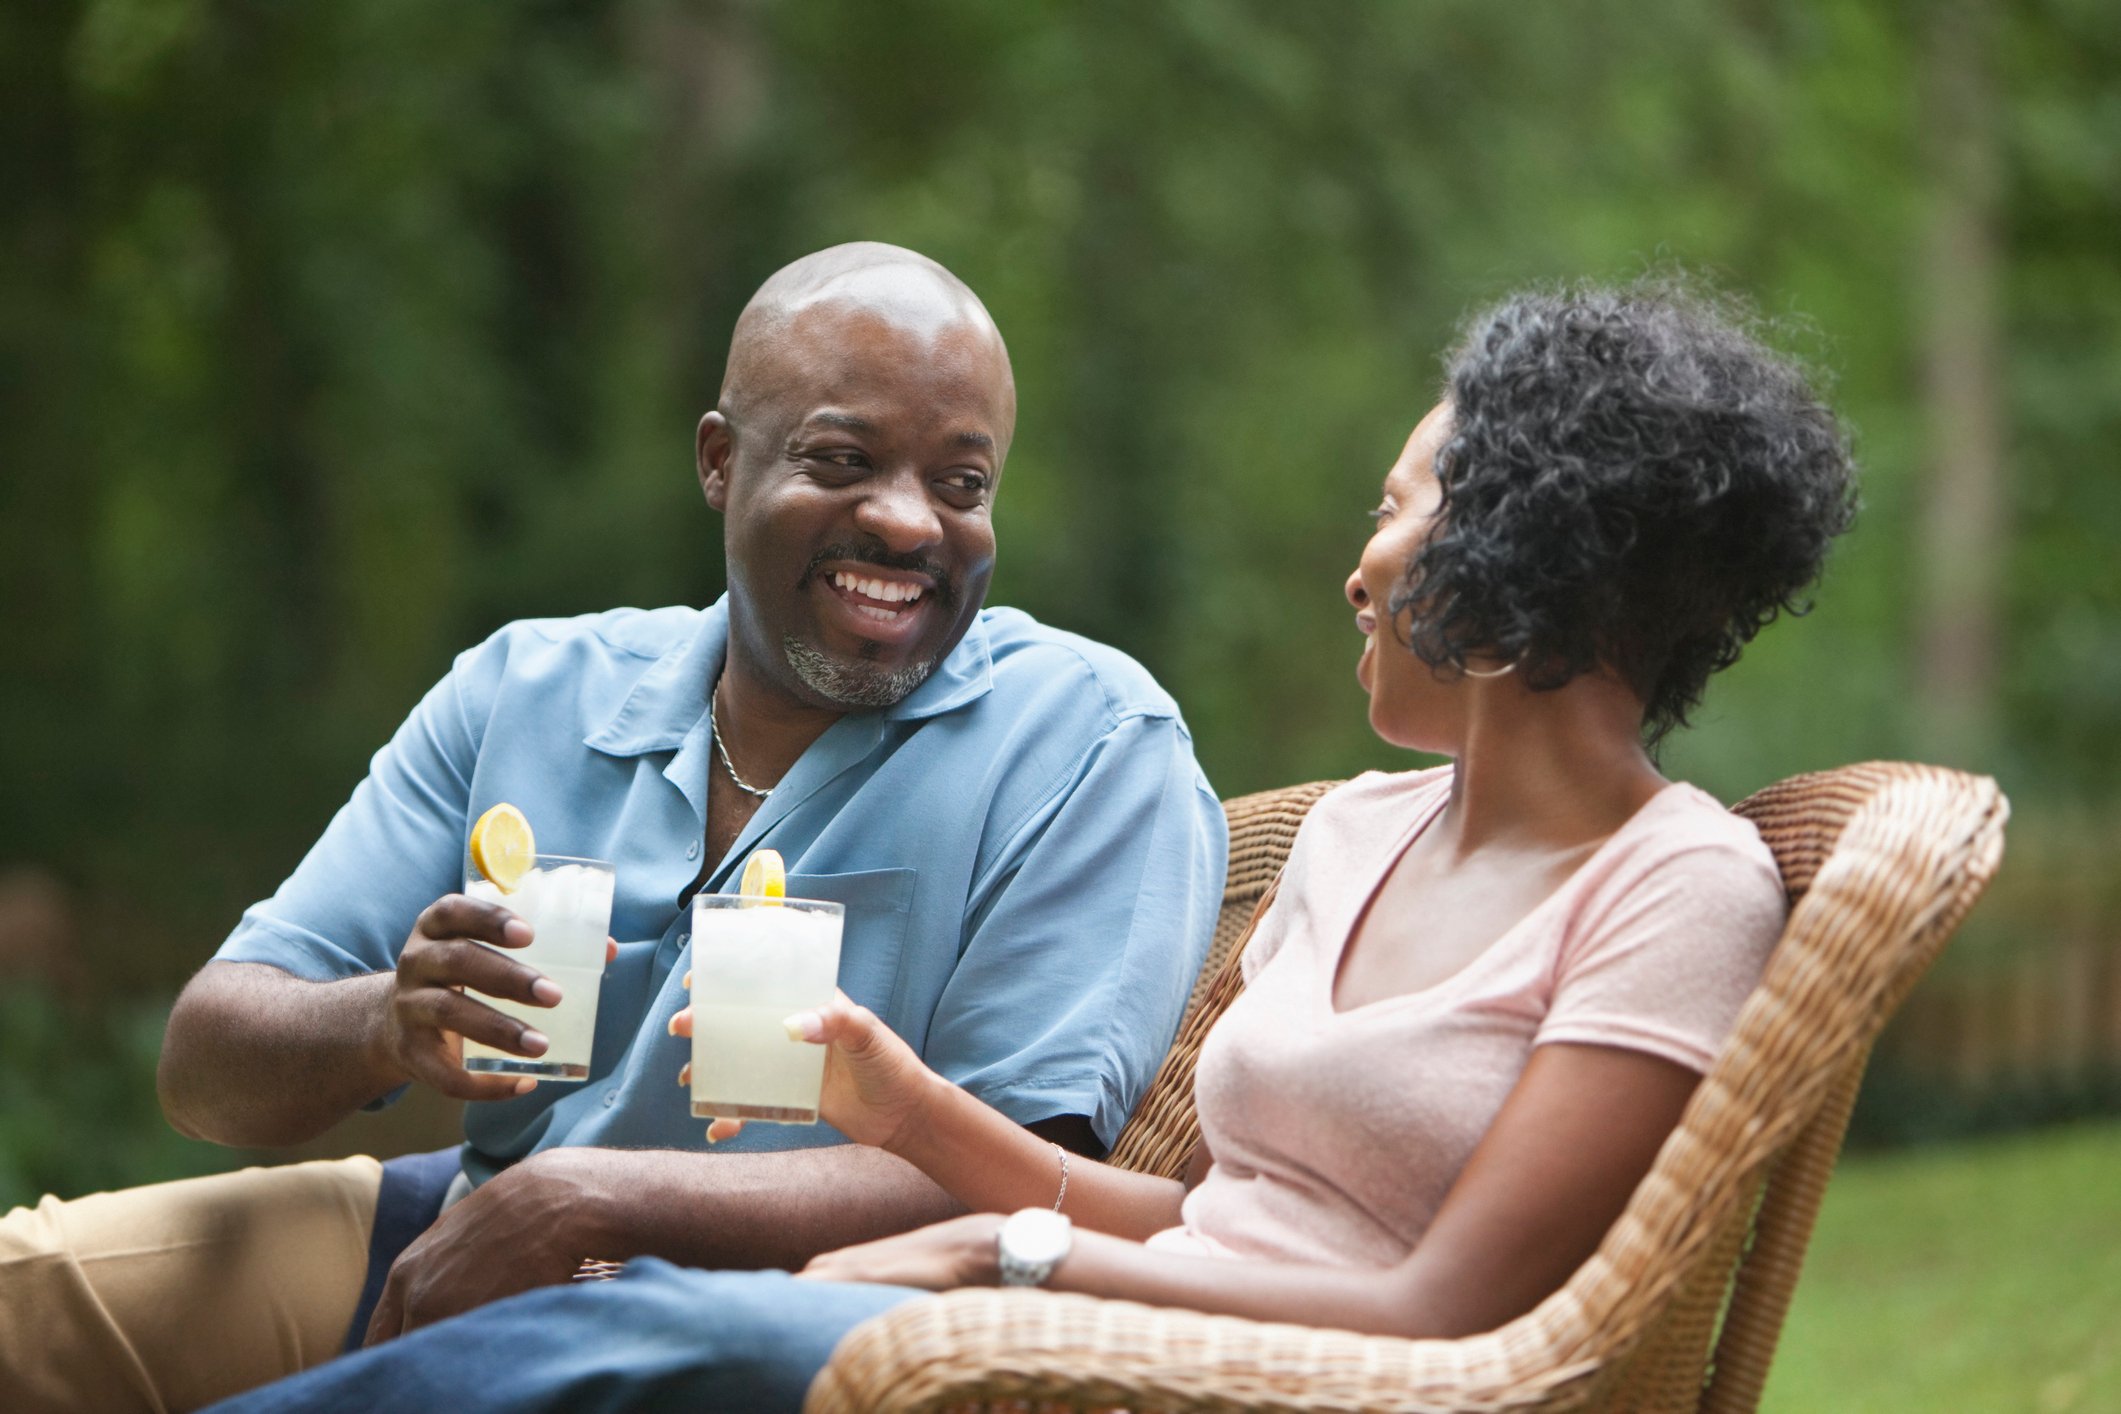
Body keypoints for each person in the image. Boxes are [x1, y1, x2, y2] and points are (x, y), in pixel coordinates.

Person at [204, 276, 1858, 1414]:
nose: (1359, 568)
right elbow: (1190, 1215)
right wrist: (902, 1106)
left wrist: (999, 1253)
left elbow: (1449, 1316)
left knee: (625, 1341)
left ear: (1528, 545)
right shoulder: (1359, 833)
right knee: (615, 1321)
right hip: (1098, 1326)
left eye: (1397, 508)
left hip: (1223, 1381)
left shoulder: (1678, 886)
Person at [0, 244, 1228, 1413]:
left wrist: (595, 1198)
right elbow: (206, 1070)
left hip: (788, 1322)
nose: (910, 522)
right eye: (842, 459)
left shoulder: (1089, 741)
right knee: (25, 1296)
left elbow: (1022, 1185)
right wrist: (384, 1022)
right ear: (719, 460)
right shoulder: (529, 689)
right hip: (472, 1224)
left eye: (961, 484)